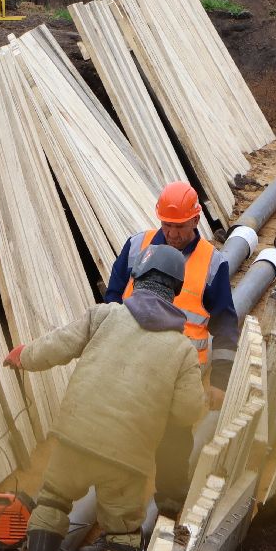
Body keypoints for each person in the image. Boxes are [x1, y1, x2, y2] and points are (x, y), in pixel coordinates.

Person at [3, 245, 205, 551]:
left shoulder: (105, 315)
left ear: (137, 279)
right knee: (123, 537)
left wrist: (24, 356)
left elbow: (56, 346)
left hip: (75, 436)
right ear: (176, 291)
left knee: (53, 501)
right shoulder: (181, 349)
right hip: (127, 457)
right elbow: (187, 412)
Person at [103, 180, 238, 518]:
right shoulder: (137, 247)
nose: (174, 234)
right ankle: (118, 517)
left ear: (196, 219)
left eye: (180, 226)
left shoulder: (212, 263)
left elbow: (224, 324)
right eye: (167, 225)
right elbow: (111, 300)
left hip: (182, 373)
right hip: (131, 367)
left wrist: (220, 380)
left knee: (174, 443)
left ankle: (168, 509)